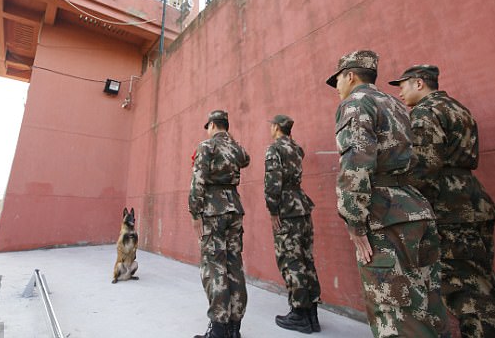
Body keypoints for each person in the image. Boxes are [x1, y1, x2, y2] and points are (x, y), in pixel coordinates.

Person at [325, 50, 449, 338]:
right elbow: (416, 160)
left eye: (338, 80)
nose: (338, 88)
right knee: (427, 306)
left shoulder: (355, 103)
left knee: (394, 315)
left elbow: (356, 163)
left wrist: (354, 221)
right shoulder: (394, 104)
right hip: (415, 209)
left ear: (350, 75)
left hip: (384, 217)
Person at [390, 65, 495, 337]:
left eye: (403, 85)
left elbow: (423, 165)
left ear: (419, 83)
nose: (399, 92)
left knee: (464, 291)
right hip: (474, 201)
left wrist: (405, 205)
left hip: (449, 209)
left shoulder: (424, 112)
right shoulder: (459, 109)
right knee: (482, 282)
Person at [189, 110, 251, 338]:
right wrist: (228, 138)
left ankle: (218, 330)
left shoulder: (207, 146)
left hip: (213, 210)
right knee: (234, 265)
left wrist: (195, 213)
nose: (207, 130)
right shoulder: (235, 148)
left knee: (214, 266)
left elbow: (198, 181)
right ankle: (235, 328)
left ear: (213, 125)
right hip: (234, 209)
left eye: (208, 126)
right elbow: (246, 158)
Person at [264, 114, 321, 334]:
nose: (270, 129)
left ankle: (299, 314)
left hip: (286, 209)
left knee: (290, 260)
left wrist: (272, 210)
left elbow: (273, 182)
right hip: (302, 206)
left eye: (272, 126)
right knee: (306, 259)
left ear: (277, 127)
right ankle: (311, 314)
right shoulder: (297, 149)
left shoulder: (274, 149)